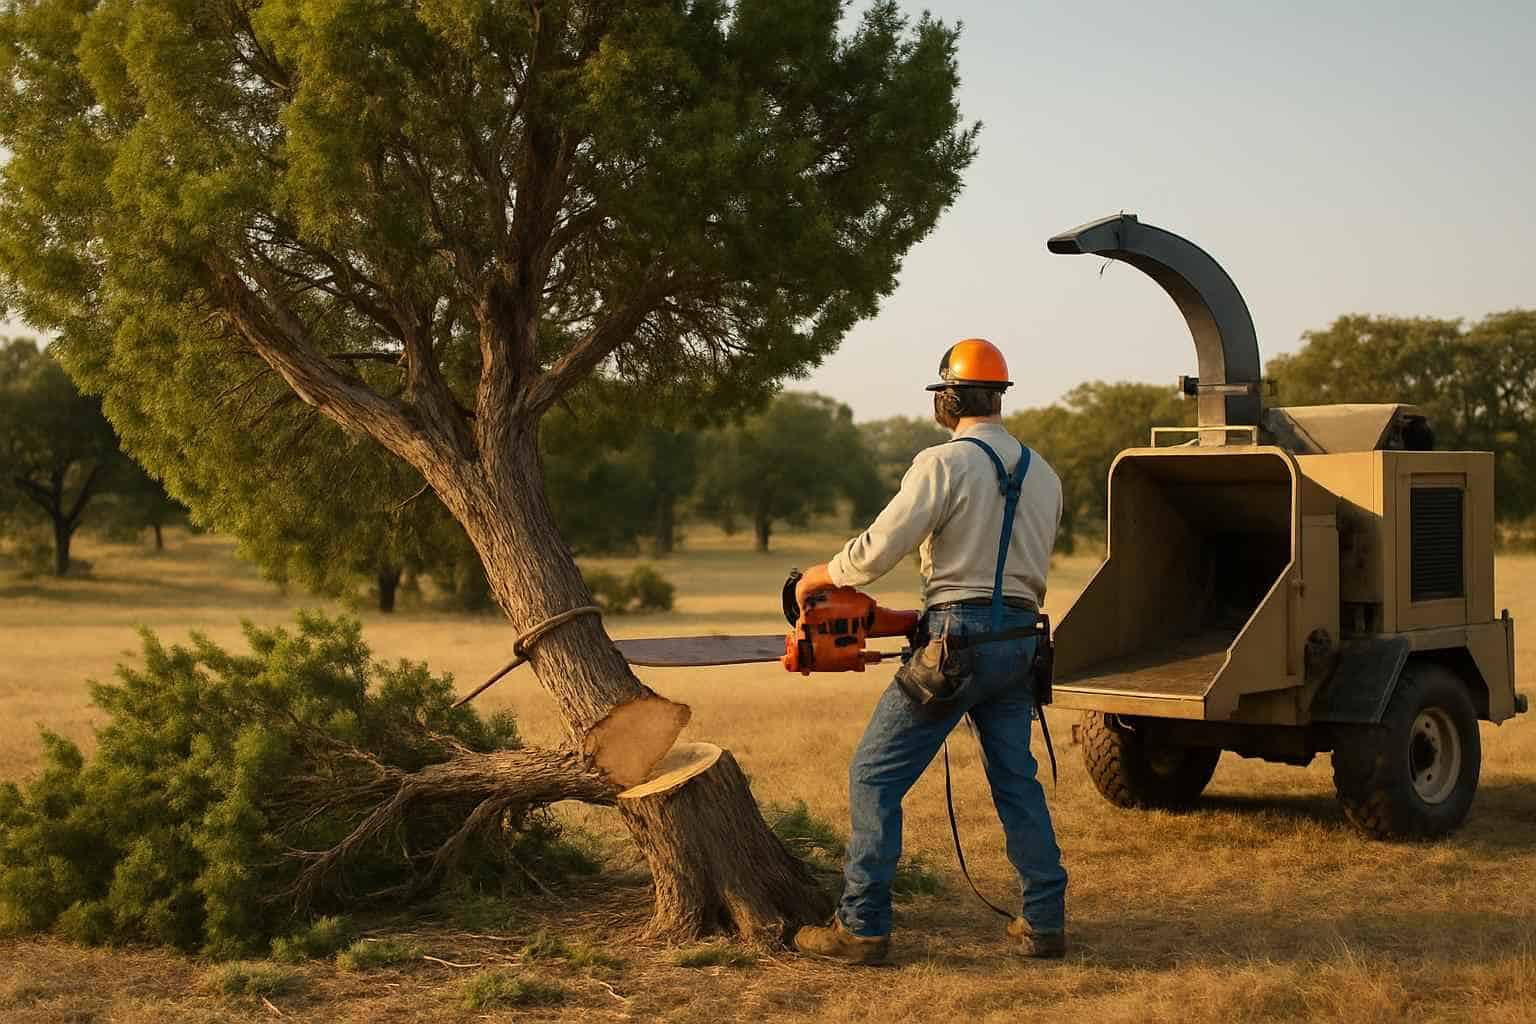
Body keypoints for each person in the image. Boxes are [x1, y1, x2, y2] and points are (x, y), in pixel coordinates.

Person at [791, 338, 1069, 965]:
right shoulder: (1043, 472)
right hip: (1021, 641)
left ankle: (861, 927)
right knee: (1015, 781)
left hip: (957, 642)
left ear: (948, 396)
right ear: (998, 395)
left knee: (873, 775)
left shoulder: (942, 463)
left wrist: (820, 574)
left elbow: (878, 549)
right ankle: (1045, 921)